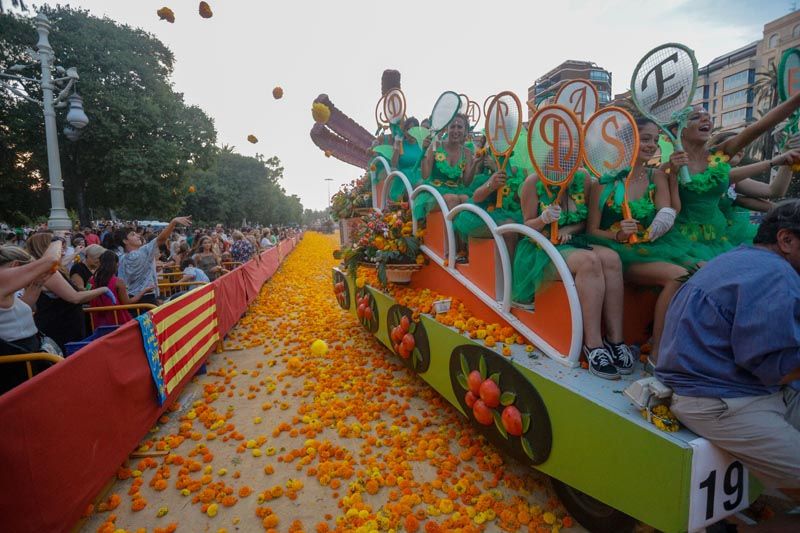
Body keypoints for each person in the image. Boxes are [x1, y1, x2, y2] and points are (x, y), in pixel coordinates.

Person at [656, 200, 800, 502]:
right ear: (786, 240)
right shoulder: (777, 275)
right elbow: (778, 369)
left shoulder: (744, 258)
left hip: (729, 387)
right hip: (719, 398)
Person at [587, 117, 694, 365]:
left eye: (655, 140)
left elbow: (667, 213)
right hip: (621, 254)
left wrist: (658, 224)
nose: (652, 145)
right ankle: (656, 353)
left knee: (702, 269)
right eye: (645, 139)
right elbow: (591, 231)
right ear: (625, 142)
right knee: (678, 275)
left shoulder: (656, 176)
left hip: (654, 247)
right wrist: (618, 234)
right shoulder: (601, 182)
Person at [512, 169, 633, 379]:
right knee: (590, 262)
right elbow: (527, 225)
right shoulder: (533, 181)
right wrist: (543, 219)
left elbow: (584, 222)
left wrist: (568, 231)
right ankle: (594, 346)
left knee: (612, 259)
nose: (564, 152)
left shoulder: (583, 178)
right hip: (541, 248)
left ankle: (615, 341)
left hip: (572, 242)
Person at [668, 91, 800, 263]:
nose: (705, 119)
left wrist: (797, 99)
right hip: (681, 242)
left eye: (708, 116)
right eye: (695, 117)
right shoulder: (668, 167)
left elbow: (760, 126)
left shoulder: (718, 156)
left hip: (719, 238)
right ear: (676, 130)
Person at [25, 233, 110, 351]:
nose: (62, 248)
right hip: (60, 328)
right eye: (58, 246)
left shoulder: (47, 269)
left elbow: (62, 263)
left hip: (62, 325)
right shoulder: (49, 273)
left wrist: (74, 253)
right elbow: (74, 297)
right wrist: (103, 290)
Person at [0, 242, 63, 393]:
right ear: (15, 266)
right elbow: (51, 260)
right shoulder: (2, 279)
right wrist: (57, 240)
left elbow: (20, 308)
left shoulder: (6, 291)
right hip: (16, 362)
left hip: (25, 355)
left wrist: (37, 283)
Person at [118, 216, 192, 306]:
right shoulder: (142, 252)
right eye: (133, 234)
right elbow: (161, 239)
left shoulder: (121, 258)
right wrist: (173, 222)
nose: (138, 235)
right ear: (125, 241)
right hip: (146, 298)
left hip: (131, 299)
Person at [88, 251, 154, 328]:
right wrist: (144, 291)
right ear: (116, 264)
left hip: (97, 320)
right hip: (117, 320)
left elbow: (86, 292)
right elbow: (127, 302)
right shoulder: (118, 282)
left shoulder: (91, 280)